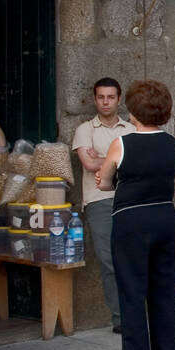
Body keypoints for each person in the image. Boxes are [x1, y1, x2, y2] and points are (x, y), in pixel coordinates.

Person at [95, 80, 175, 350]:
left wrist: (109, 180)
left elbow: (105, 181)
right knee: (164, 288)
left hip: (131, 221)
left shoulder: (122, 143)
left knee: (132, 292)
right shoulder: (173, 143)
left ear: (133, 113)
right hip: (165, 218)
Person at [72, 78, 133, 333]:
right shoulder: (85, 129)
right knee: (108, 259)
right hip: (99, 200)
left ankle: (137, 312)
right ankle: (120, 318)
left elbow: (134, 162)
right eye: (101, 97)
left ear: (119, 99)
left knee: (132, 258)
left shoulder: (130, 128)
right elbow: (88, 164)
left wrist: (104, 158)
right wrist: (119, 158)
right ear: (94, 99)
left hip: (129, 200)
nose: (105, 102)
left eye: (110, 97)